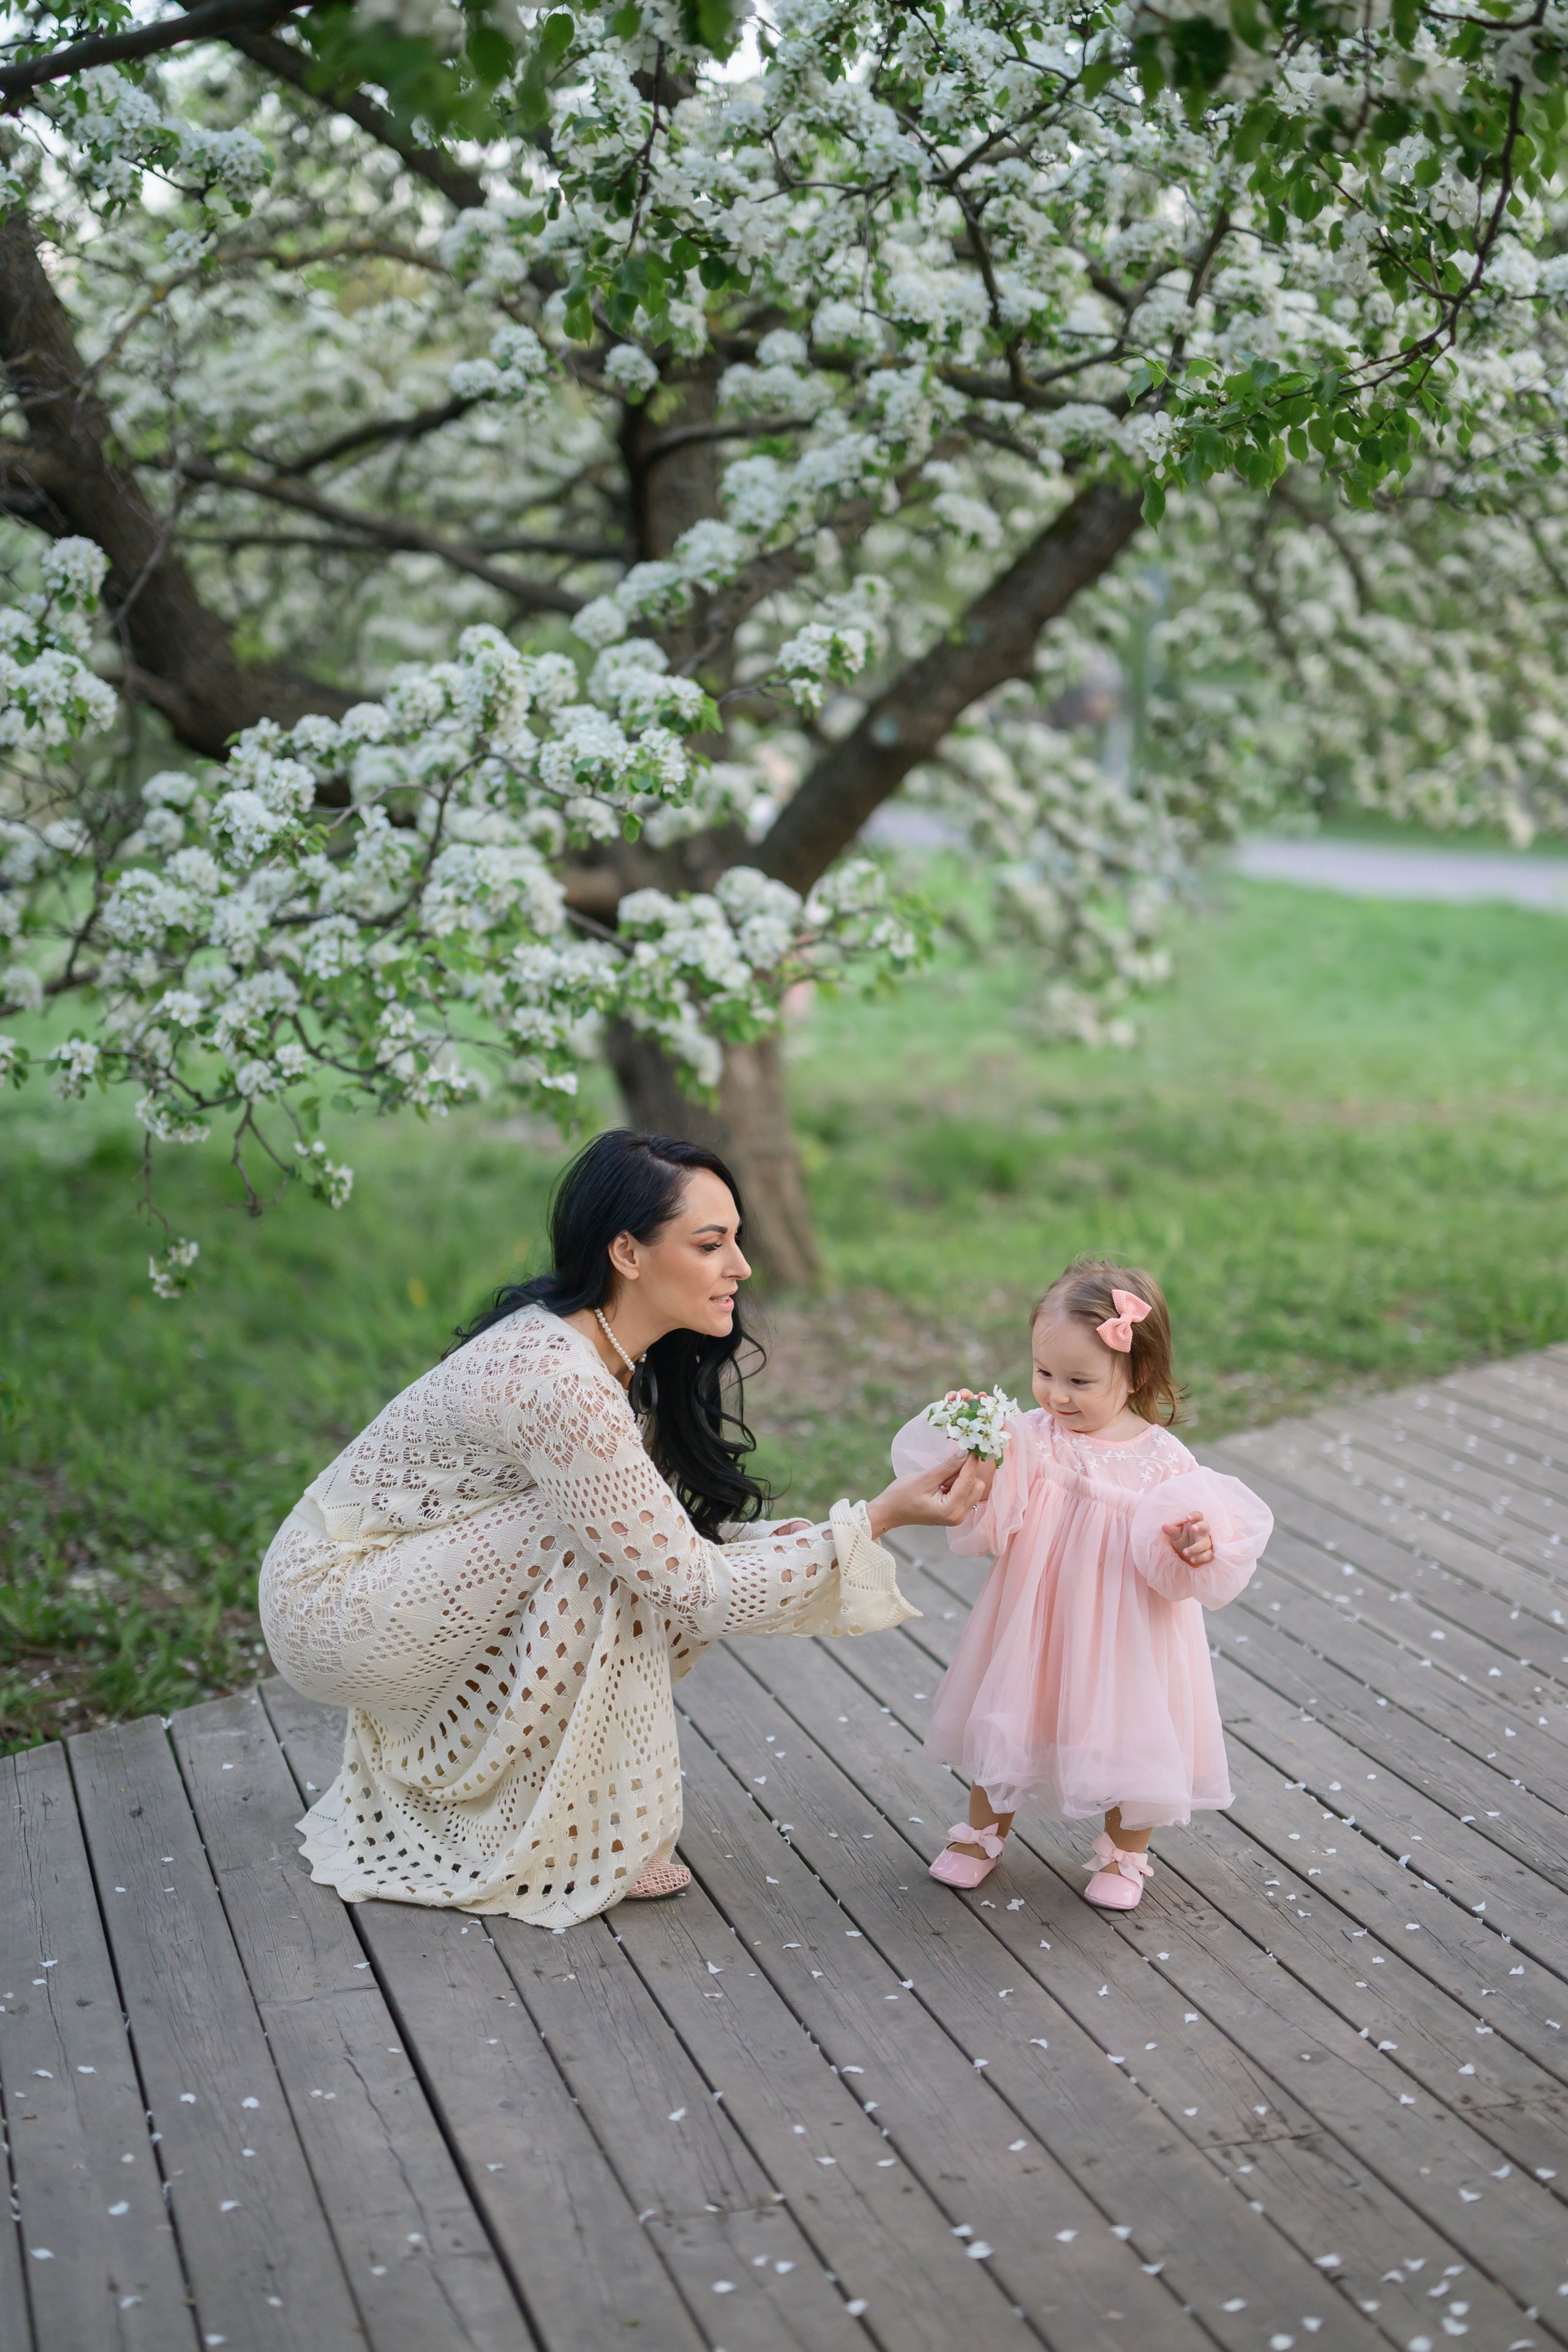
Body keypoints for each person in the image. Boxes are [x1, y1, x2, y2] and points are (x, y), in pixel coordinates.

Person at [260, 1128, 989, 1931]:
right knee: (598, 1547)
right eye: (710, 1245)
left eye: (736, 1241)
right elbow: (692, 1586)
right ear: (628, 1254)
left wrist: (843, 1528)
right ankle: (591, 1828)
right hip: (330, 1605)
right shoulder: (559, 1381)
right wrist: (878, 1518)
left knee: (614, 1541)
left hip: (399, 1579)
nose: (741, 1268)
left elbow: (673, 1546)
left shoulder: (609, 1351)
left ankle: (574, 1814)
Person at [899, 1259, 1272, 1910]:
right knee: (1014, 1711)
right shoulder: (1030, 1438)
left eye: (1079, 1381)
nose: (1056, 1396)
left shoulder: (1165, 1461)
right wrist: (965, 1441)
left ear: (1138, 1374)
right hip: (1037, 1615)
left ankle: (1126, 1853)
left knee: (1131, 1728)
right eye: (1043, 1374)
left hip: (1128, 1628)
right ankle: (980, 1834)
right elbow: (983, 1511)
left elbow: (1192, 1554)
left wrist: (1195, 1546)